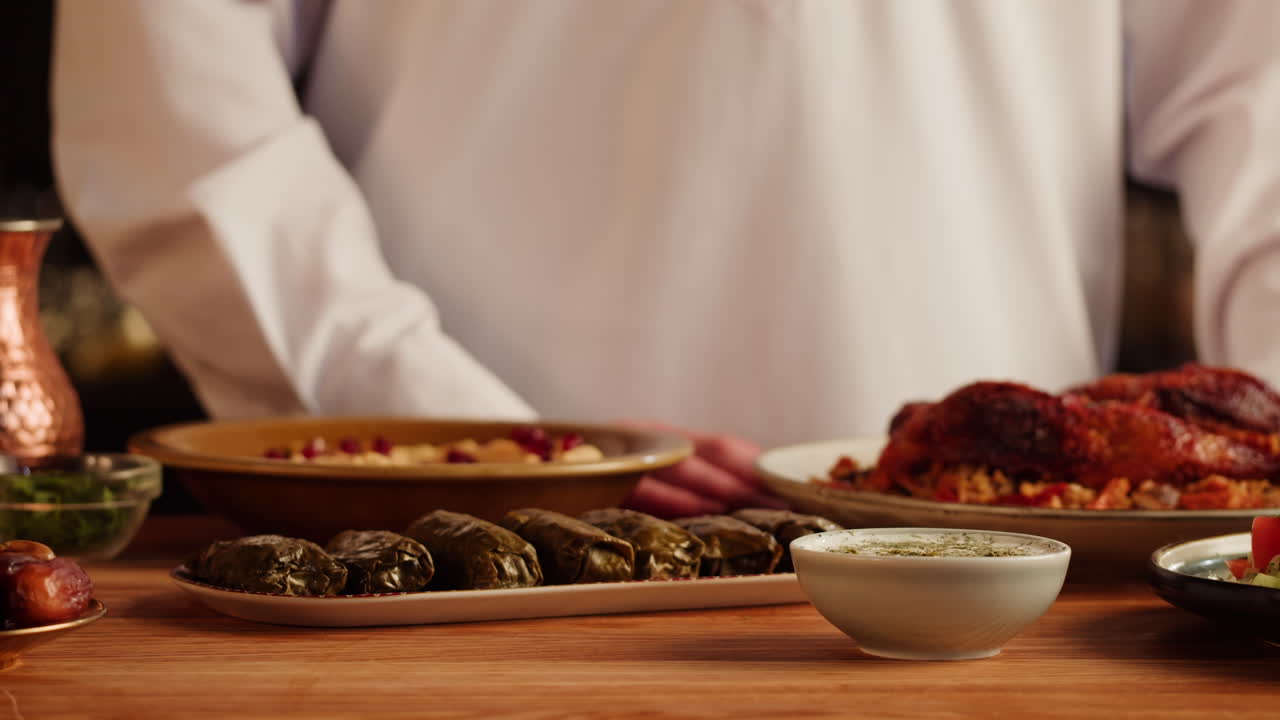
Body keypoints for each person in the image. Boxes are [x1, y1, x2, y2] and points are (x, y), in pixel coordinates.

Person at [50, 1, 1280, 517]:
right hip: (447, 573)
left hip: (1015, 581)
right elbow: (169, 98)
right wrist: (481, 448)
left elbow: (1258, 89)